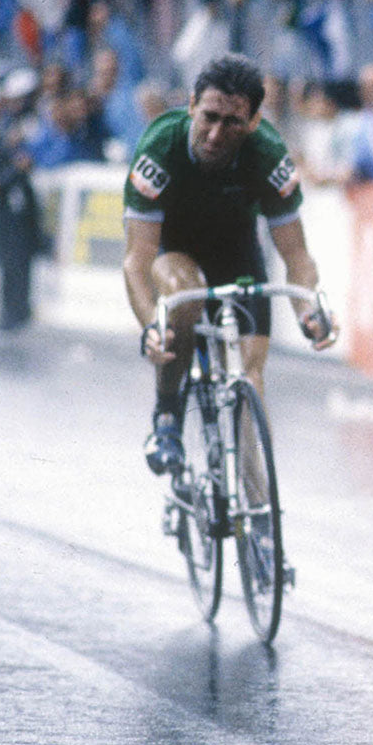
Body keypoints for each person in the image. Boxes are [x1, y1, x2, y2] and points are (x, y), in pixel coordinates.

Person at [122, 54, 337, 483]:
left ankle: (259, 516)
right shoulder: (160, 147)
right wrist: (151, 324)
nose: (217, 134)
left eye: (232, 122)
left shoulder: (268, 155)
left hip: (237, 254)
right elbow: (136, 260)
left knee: (249, 377)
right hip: (174, 249)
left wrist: (308, 310)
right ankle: (167, 414)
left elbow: (296, 255)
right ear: (190, 106)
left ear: (255, 121)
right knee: (185, 297)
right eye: (209, 117)